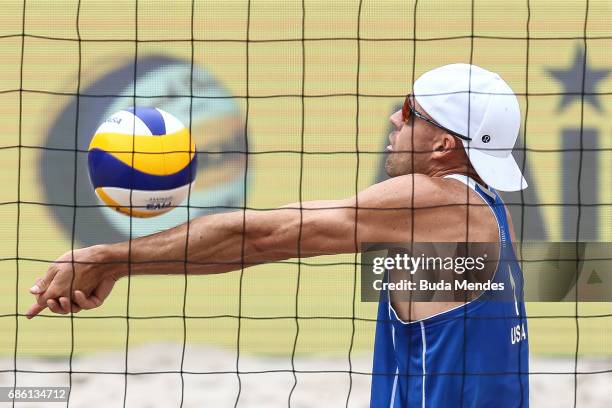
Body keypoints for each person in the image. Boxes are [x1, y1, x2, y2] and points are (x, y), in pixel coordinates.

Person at [27, 64, 529, 407]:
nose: (395, 119)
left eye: (409, 110)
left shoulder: (437, 201)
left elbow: (262, 237)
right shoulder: (485, 210)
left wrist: (110, 258)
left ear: (444, 143)